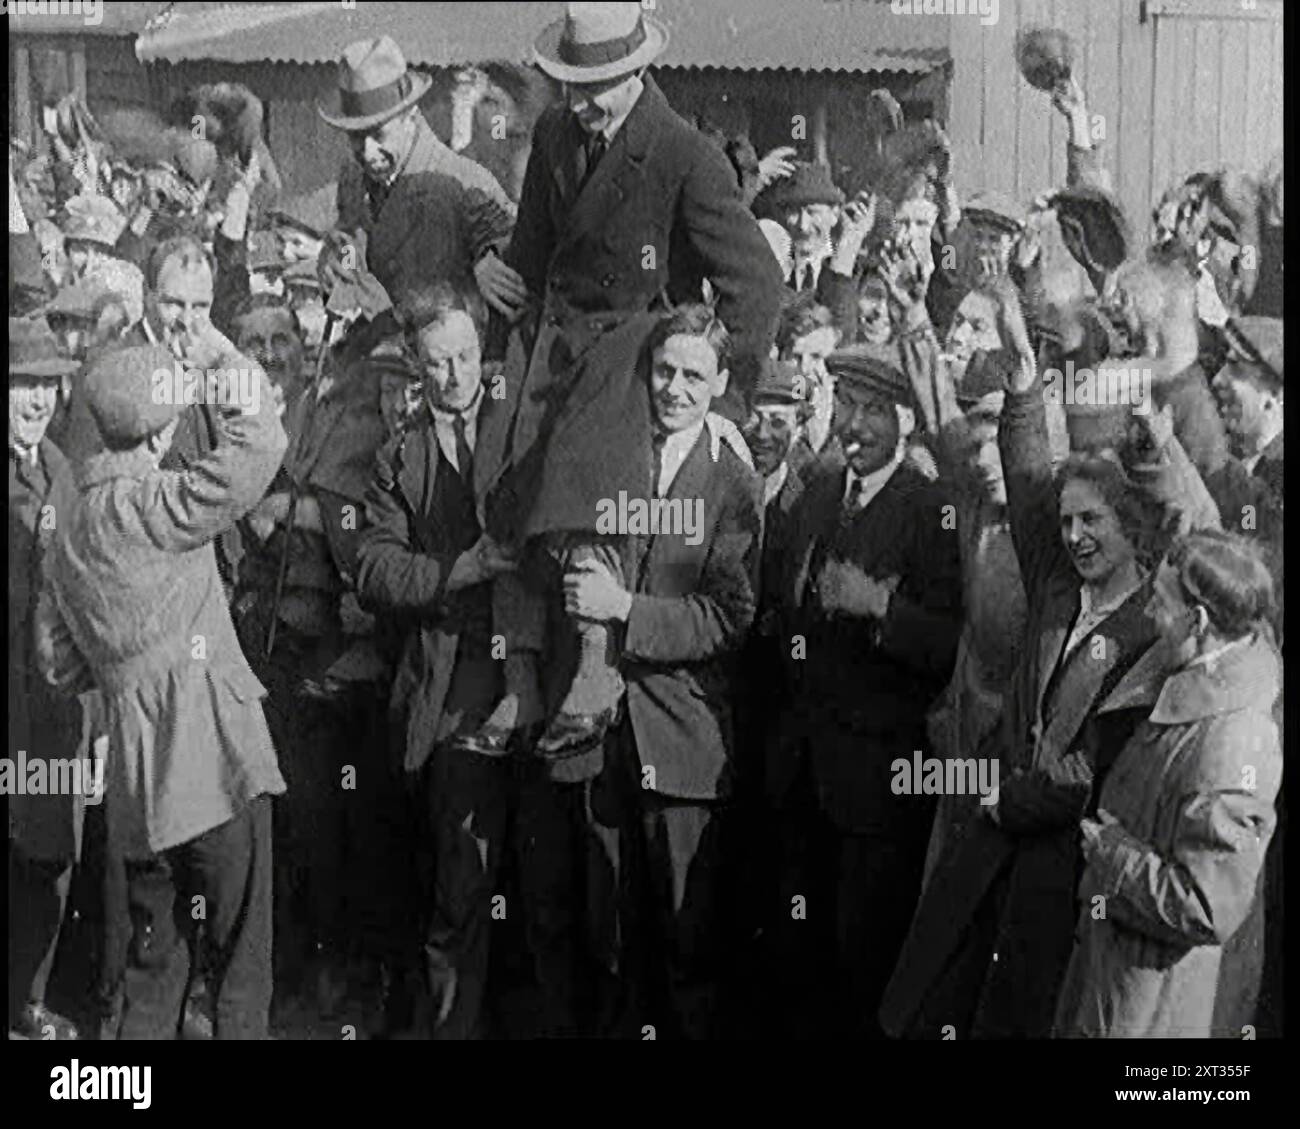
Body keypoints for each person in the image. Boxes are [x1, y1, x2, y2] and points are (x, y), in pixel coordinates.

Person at [881, 282, 1219, 1040]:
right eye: (1066, 523)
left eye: (1092, 521)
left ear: (1132, 528)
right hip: (996, 842)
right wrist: (1025, 381)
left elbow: (1196, 525)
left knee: (1022, 1014)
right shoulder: (1059, 587)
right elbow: (1031, 473)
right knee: (938, 1002)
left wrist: (1151, 448)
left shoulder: (1149, 629)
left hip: (1061, 864)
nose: (1073, 536)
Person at [469, 1, 783, 777]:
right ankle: (518, 678)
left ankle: (596, 663)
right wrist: (495, 272)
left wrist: (717, 395)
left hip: (635, 345)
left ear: (639, 71)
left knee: (587, 467)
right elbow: (534, 254)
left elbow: (760, 286)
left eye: (597, 87)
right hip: (555, 342)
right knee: (498, 467)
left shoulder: (684, 154)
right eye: (570, 85)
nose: (580, 103)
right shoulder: (550, 135)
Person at [35, 338, 287, 1040]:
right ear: (157, 432)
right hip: (215, 759)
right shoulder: (157, 503)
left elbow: (55, 661)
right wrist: (234, 371)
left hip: (136, 786)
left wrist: (121, 661)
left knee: (152, 970)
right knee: (239, 967)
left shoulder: (69, 531)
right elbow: (257, 451)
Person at [575, 304, 763, 1038]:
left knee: (689, 947)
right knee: (616, 939)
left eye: (693, 374)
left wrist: (625, 608)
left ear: (718, 383)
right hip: (606, 732)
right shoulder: (617, 454)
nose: (674, 388)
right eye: (664, 370)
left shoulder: (731, 481)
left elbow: (728, 615)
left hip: (683, 742)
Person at [769, 340, 964, 1039]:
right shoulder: (818, 488)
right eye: (846, 404)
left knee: (861, 962)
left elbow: (952, 644)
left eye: (873, 410)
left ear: (905, 421)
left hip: (879, 787)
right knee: (797, 954)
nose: (854, 423)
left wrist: (880, 608)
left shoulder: (931, 508)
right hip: (801, 773)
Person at [355, 284, 518, 1039]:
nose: (453, 375)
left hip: (522, 674)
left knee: (521, 882)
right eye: (435, 363)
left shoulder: (521, 432)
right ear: (415, 369)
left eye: (463, 356)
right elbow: (375, 569)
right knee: (455, 876)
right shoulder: (401, 455)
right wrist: (457, 570)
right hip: (444, 683)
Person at [1053, 531, 1281, 1038]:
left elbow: (1206, 905)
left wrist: (1111, 854)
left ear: (1197, 622)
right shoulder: (1195, 674)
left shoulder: (1233, 741)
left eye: (1159, 601)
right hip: (1117, 967)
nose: (1149, 613)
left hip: (1149, 1005)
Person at [7, 317, 85, 1041]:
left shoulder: (63, 468)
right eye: (21, 383)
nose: (35, 398)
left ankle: (26, 1001)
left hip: (49, 704)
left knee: (46, 851)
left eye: (45, 383)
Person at [317, 35, 516, 318]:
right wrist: (333, 260)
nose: (368, 151)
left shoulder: (464, 182)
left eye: (378, 134)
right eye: (356, 137)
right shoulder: (353, 176)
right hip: (377, 349)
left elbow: (509, 244)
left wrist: (487, 256)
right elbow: (348, 237)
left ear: (410, 115)